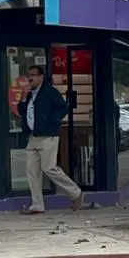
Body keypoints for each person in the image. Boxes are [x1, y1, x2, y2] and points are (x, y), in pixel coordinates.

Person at [17, 65, 83, 214]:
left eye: (33, 75)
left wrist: (52, 121)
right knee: (32, 170)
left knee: (49, 168)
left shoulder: (50, 92)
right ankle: (37, 204)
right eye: (29, 75)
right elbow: (22, 111)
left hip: (48, 136)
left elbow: (63, 108)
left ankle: (75, 193)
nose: (30, 78)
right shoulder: (29, 94)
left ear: (41, 77)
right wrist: (23, 97)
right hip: (33, 136)